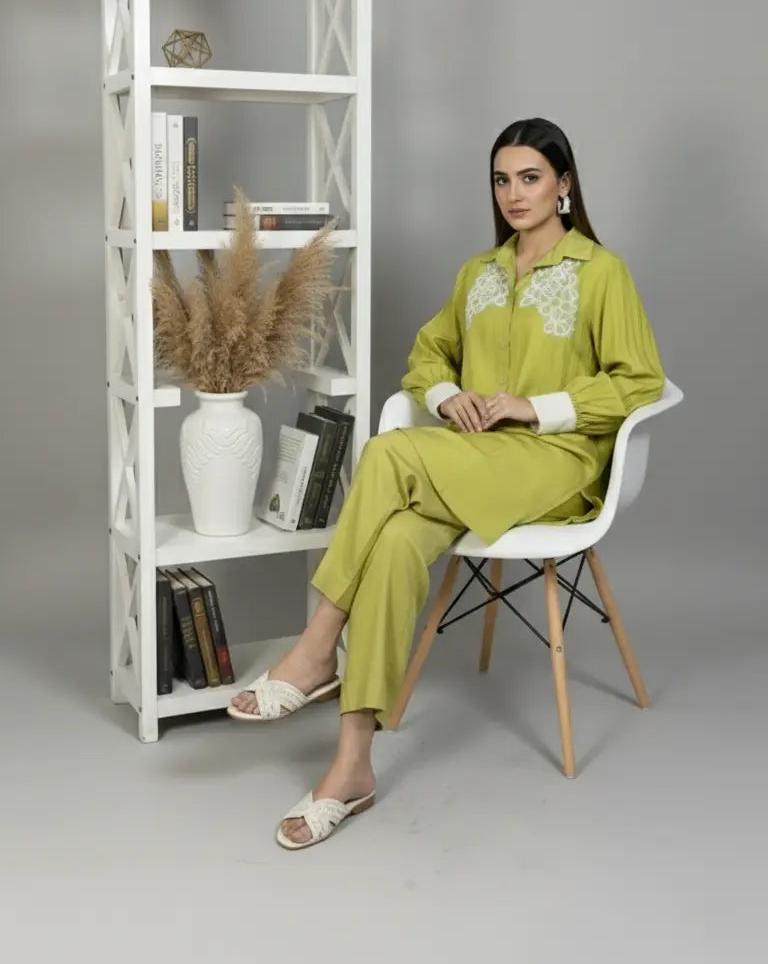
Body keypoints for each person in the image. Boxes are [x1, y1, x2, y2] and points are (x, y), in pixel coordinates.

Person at [227, 117, 666, 850]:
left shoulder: (601, 272)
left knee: (388, 455)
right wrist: (445, 396)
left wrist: (536, 406)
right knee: (396, 541)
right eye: (502, 179)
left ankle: (316, 646)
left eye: (531, 178)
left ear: (564, 184)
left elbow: (639, 381)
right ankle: (351, 766)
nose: (514, 193)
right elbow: (428, 356)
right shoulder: (479, 273)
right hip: (471, 461)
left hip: (554, 465)